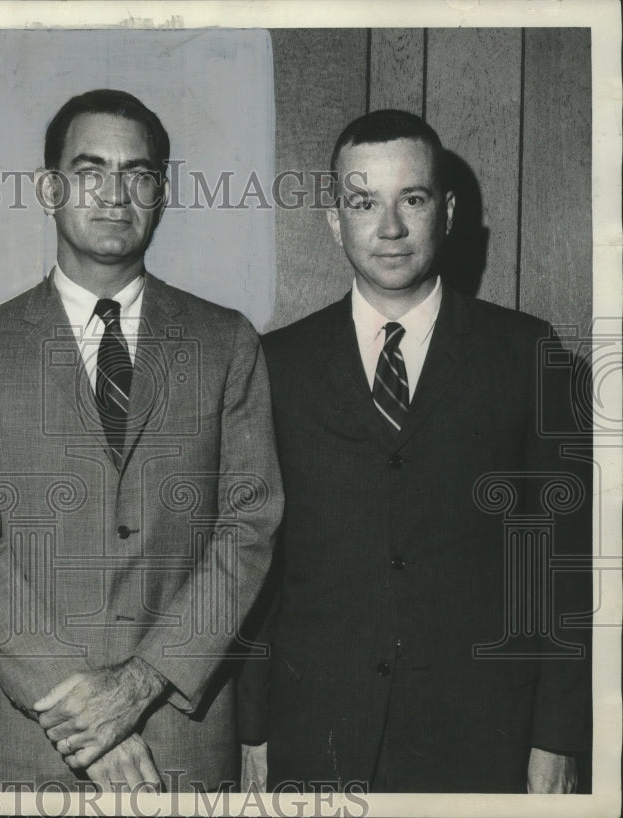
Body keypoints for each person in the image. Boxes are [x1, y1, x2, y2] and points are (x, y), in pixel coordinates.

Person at [0, 89, 283, 792]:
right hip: (36, 735)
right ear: (49, 187)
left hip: (179, 732)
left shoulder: (226, 341)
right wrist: (78, 708)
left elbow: (250, 527)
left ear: (162, 192)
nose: (114, 193)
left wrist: (140, 683)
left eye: (139, 173)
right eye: (90, 170)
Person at [240, 109, 591, 793]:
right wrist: (254, 730)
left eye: (414, 199)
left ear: (449, 212)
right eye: (364, 202)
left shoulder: (526, 354)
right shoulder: (277, 364)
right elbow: (260, 566)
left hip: (483, 740)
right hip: (318, 738)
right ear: (335, 220)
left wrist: (557, 738)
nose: (390, 227)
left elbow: (560, 567)